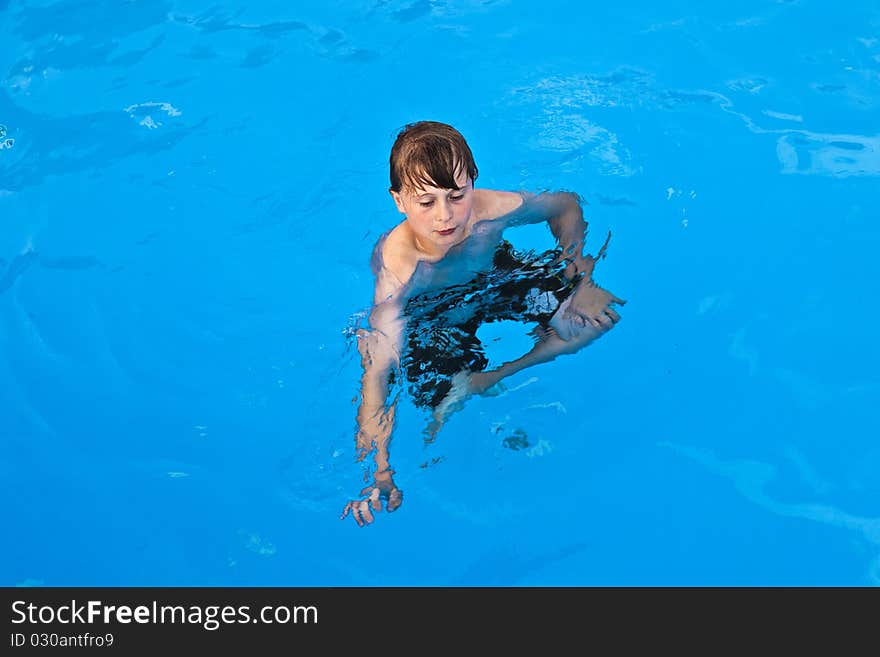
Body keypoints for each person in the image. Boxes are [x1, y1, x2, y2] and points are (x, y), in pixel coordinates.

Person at [341, 121, 625, 526]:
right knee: (441, 404)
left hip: (497, 278)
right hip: (434, 316)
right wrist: (379, 467)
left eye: (457, 196)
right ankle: (477, 380)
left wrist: (581, 278)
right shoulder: (400, 271)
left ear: (473, 182)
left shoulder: (491, 211)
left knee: (592, 321)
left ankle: (503, 370)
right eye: (426, 203)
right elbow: (378, 369)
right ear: (399, 201)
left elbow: (565, 205)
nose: (446, 216)